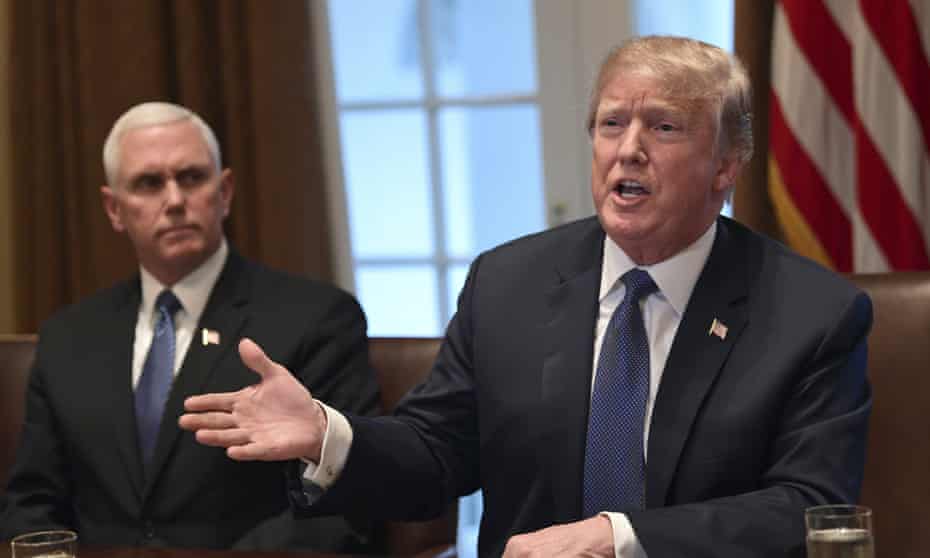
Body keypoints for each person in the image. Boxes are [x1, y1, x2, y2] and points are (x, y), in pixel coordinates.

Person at [180, 36, 872, 557]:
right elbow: (437, 451)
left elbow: (808, 507)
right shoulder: (508, 283)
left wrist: (618, 538)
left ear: (726, 165)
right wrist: (330, 435)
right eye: (611, 124)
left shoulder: (810, 314)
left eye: (664, 127)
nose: (628, 150)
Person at [0, 102, 380, 552]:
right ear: (114, 209)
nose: (175, 200)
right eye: (149, 183)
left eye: (192, 177)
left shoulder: (316, 318)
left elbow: (344, 499)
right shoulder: (67, 338)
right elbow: (32, 504)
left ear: (225, 191)